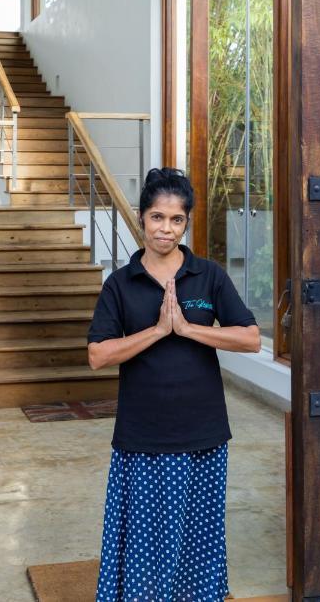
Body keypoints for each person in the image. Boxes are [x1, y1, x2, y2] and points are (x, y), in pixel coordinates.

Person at [87, 167, 261, 601]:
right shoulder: (119, 284)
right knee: (147, 544)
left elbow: (251, 338)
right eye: (157, 218)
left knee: (199, 539)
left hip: (203, 433)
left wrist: (187, 329)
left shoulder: (209, 276)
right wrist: (158, 331)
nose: (166, 229)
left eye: (176, 219)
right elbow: (98, 355)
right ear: (142, 218)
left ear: (186, 223)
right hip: (142, 437)